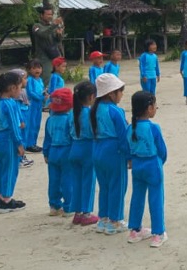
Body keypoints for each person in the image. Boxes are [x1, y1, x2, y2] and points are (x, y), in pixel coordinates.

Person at [126, 91, 169, 248]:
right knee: (156, 198)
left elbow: (127, 148)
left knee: (137, 197)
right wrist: (160, 161)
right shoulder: (153, 128)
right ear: (149, 108)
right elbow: (162, 151)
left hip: (137, 165)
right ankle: (158, 233)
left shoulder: (130, 128)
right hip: (152, 164)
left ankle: (134, 230)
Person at [91, 73, 129, 236]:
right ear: (111, 93)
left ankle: (103, 219)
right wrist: (129, 156)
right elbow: (123, 135)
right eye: (120, 91)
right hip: (114, 149)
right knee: (117, 186)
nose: (121, 95)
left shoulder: (95, 109)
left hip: (98, 148)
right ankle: (115, 220)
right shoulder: (116, 111)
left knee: (104, 186)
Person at [0, 73, 27, 213]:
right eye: (19, 88)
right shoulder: (9, 104)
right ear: (12, 88)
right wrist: (20, 144)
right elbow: (13, 126)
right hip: (9, 139)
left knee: (1, 168)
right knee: (11, 169)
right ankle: (6, 199)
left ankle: (0, 197)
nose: (20, 91)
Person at [69, 81, 99, 227]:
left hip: (74, 147)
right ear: (92, 96)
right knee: (88, 181)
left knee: (76, 181)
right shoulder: (89, 113)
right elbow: (94, 131)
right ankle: (86, 212)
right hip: (87, 148)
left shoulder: (72, 112)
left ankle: (77, 212)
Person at [43, 88, 74, 217]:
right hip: (66, 150)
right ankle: (68, 206)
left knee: (54, 180)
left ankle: (54, 205)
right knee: (67, 179)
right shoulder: (69, 119)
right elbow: (73, 136)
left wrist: (45, 153)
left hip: (53, 151)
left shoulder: (50, 120)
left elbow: (47, 139)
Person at [31, 6, 64, 88]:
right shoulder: (36, 26)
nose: (50, 16)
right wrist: (54, 25)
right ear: (41, 15)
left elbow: (57, 41)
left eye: (51, 14)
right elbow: (43, 34)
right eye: (48, 14)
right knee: (46, 79)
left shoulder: (52, 26)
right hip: (44, 58)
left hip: (54, 56)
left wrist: (59, 35)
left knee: (56, 79)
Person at [24, 60, 45, 153]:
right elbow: (30, 92)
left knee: (37, 124)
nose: (37, 70)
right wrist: (41, 97)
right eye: (34, 68)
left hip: (39, 105)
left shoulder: (40, 80)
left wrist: (45, 94)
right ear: (29, 70)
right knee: (31, 124)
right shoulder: (30, 80)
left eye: (39, 67)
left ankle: (34, 143)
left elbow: (41, 90)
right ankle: (29, 144)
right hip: (32, 104)